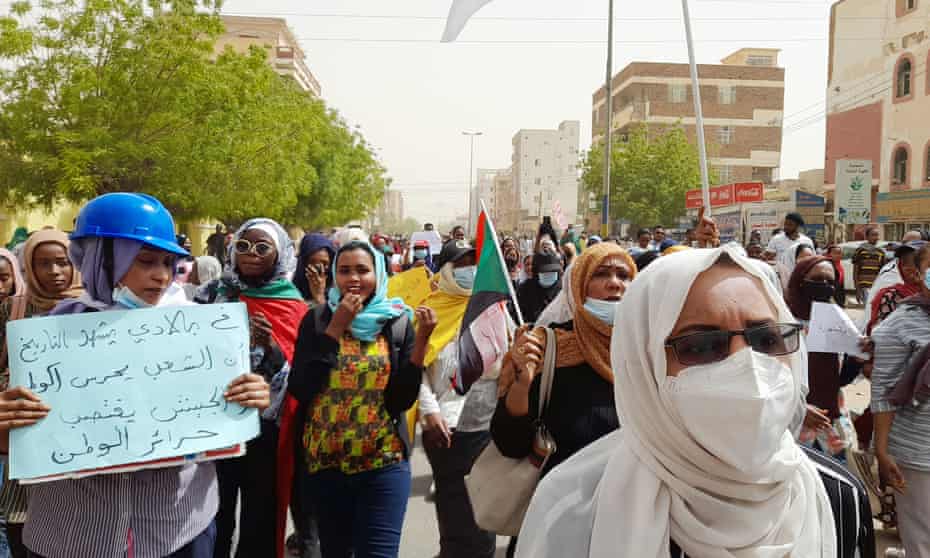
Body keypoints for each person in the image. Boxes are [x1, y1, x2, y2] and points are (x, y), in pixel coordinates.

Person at [514, 245, 874, 558]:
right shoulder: (573, 510)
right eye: (701, 345)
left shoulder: (839, 499)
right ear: (645, 364)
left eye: (766, 340)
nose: (745, 365)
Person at [0, 193, 270, 558]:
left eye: (168, 262)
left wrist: (247, 398)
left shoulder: (202, 333)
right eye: (144, 261)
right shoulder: (49, 340)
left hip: (178, 532)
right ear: (100, 259)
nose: (161, 275)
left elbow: (225, 427)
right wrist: (8, 421)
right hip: (73, 536)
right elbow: (19, 440)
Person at [283, 240, 435, 558]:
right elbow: (301, 386)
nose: (353, 279)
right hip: (327, 467)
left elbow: (400, 400)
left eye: (362, 270)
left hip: (382, 464)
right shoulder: (317, 321)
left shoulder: (396, 322)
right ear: (334, 276)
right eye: (345, 271)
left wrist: (420, 343)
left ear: (378, 275)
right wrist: (336, 328)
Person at [494, 243, 636, 555]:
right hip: (557, 522)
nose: (615, 283)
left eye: (624, 275)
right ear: (578, 285)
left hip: (632, 520)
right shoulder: (547, 349)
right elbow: (511, 443)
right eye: (601, 274)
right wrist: (520, 386)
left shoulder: (648, 352)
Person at [194, 219, 307, 558]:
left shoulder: (293, 305)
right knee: (211, 519)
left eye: (262, 247)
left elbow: (299, 380)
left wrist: (270, 347)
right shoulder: (210, 295)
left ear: (280, 254)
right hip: (213, 427)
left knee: (259, 519)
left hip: (264, 434)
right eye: (243, 246)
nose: (251, 255)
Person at [418, 240, 503, 558]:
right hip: (445, 429)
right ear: (447, 269)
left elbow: (505, 365)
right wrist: (430, 413)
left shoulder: (493, 309)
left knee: (484, 522)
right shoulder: (429, 310)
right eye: (462, 263)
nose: (469, 270)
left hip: (488, 428)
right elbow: (416, 371)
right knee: (455, 521)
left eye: (474, 263)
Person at [0, 230, 82, 557]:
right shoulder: (12, 309)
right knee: (25, 533)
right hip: (26, 440)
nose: (54, 272)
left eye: (63, 262)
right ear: (29, 267)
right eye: (43, 264)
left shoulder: (95, 310)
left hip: (79, 445)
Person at [872, 242, 930, 558]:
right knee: (922, 535)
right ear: (917, 275)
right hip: (918, 451)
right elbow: (882, 391)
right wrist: (882, 450)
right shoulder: (900, 325)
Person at [786, 255, 846, 454]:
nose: (824, 285)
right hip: (792, 430)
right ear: (800, 280)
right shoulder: (780, 322)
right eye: (818, 279)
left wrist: (859, 357)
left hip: (830, 426)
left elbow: (841, 377)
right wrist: (798, 410)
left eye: (830, 281)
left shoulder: (835, 320)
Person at [516, 252, 563, 324]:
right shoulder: (524, 290)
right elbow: (519, 314)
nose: (549, 274)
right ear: (536, 272)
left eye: (553, 271)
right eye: (544, 272)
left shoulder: (562, 289)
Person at [294, 233, 336, 307]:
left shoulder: (338, 292)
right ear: (303, 262)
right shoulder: (290, 290)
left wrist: (319, 296)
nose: (318, 269)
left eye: (324, 263)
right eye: (312, 262)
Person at [853, 226, 886, 305]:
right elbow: (855, 271)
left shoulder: (881, 252)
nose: (876, 237)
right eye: (873, 235)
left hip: (876, 286)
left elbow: (882, 272)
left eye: (877, 235)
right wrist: (857, 289)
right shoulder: (860, 251)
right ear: (867, 237)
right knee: (868, 308)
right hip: (864, 286)